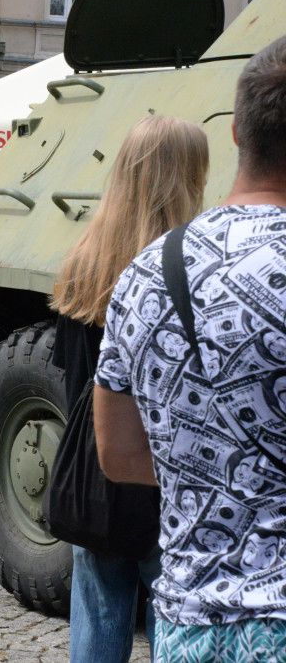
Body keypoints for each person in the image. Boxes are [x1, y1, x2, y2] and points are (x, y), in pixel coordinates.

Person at [95, 36, 286, 660]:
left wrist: (223, 477)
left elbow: (118, 455)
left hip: (188, 626)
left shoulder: (145, 273)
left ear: (235, 133)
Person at [49, 115, 209, 661]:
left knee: (96, 616)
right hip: (163, 474)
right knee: (173, 620)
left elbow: (72, 376)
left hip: (93, 473)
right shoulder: (192, 268)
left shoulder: (82, 262)